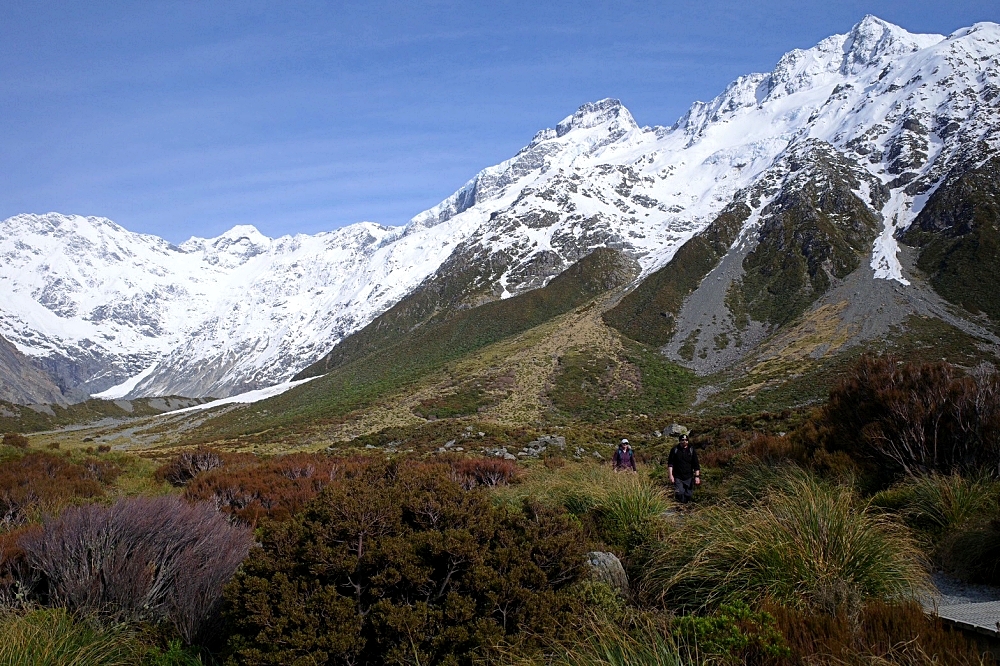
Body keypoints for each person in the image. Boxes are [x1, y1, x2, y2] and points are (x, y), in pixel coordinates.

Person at [667, 433, 700, 503]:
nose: (684, 441)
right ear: (680, 441)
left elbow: (696, 464)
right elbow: (670, 464)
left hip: (689, 476)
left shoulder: (691, 450)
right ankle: (679, 507)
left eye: (686, 440)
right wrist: (670, 476)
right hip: (678, 476)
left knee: (689, 494)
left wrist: (697, 476)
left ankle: (686, 508)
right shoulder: (674, 450)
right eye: (683, 440)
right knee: (679, 493)